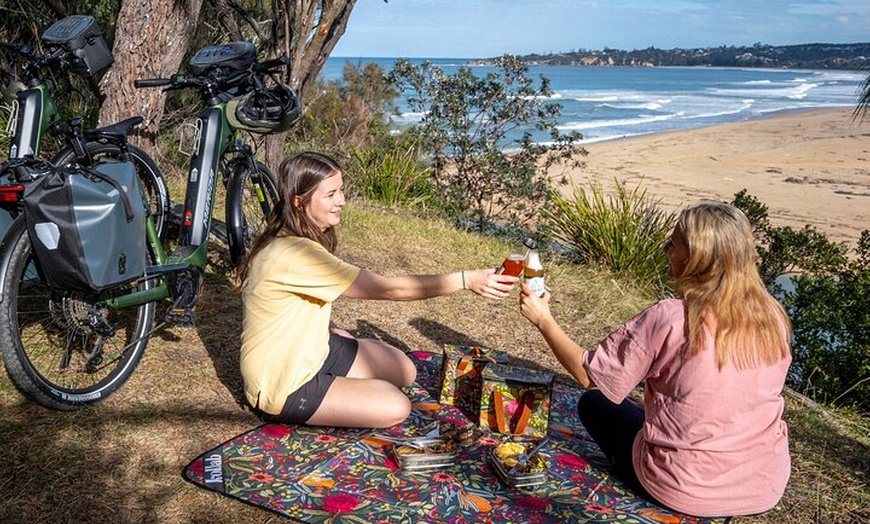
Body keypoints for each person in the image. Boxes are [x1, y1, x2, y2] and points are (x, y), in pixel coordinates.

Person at [518, 201, 791, 518]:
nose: (665, 249)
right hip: (762, 481)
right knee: (638, 408)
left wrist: (544, 320)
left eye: (673, 244)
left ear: (696, 258)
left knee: (593, 403)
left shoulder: (672, 317)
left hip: (681, 484)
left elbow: (589, 376)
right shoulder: (773, 316)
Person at [237, 151, 518, 429]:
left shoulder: (297, 236)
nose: (342, 201)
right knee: (396, 406)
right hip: (283, 384)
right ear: (299, 202)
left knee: (405, 370)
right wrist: (466, 280)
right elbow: (388, 289)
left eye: (341, 191)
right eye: (331, 194)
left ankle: (338, 374)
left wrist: (330, 331)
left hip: (312, 350)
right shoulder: (295, 254)